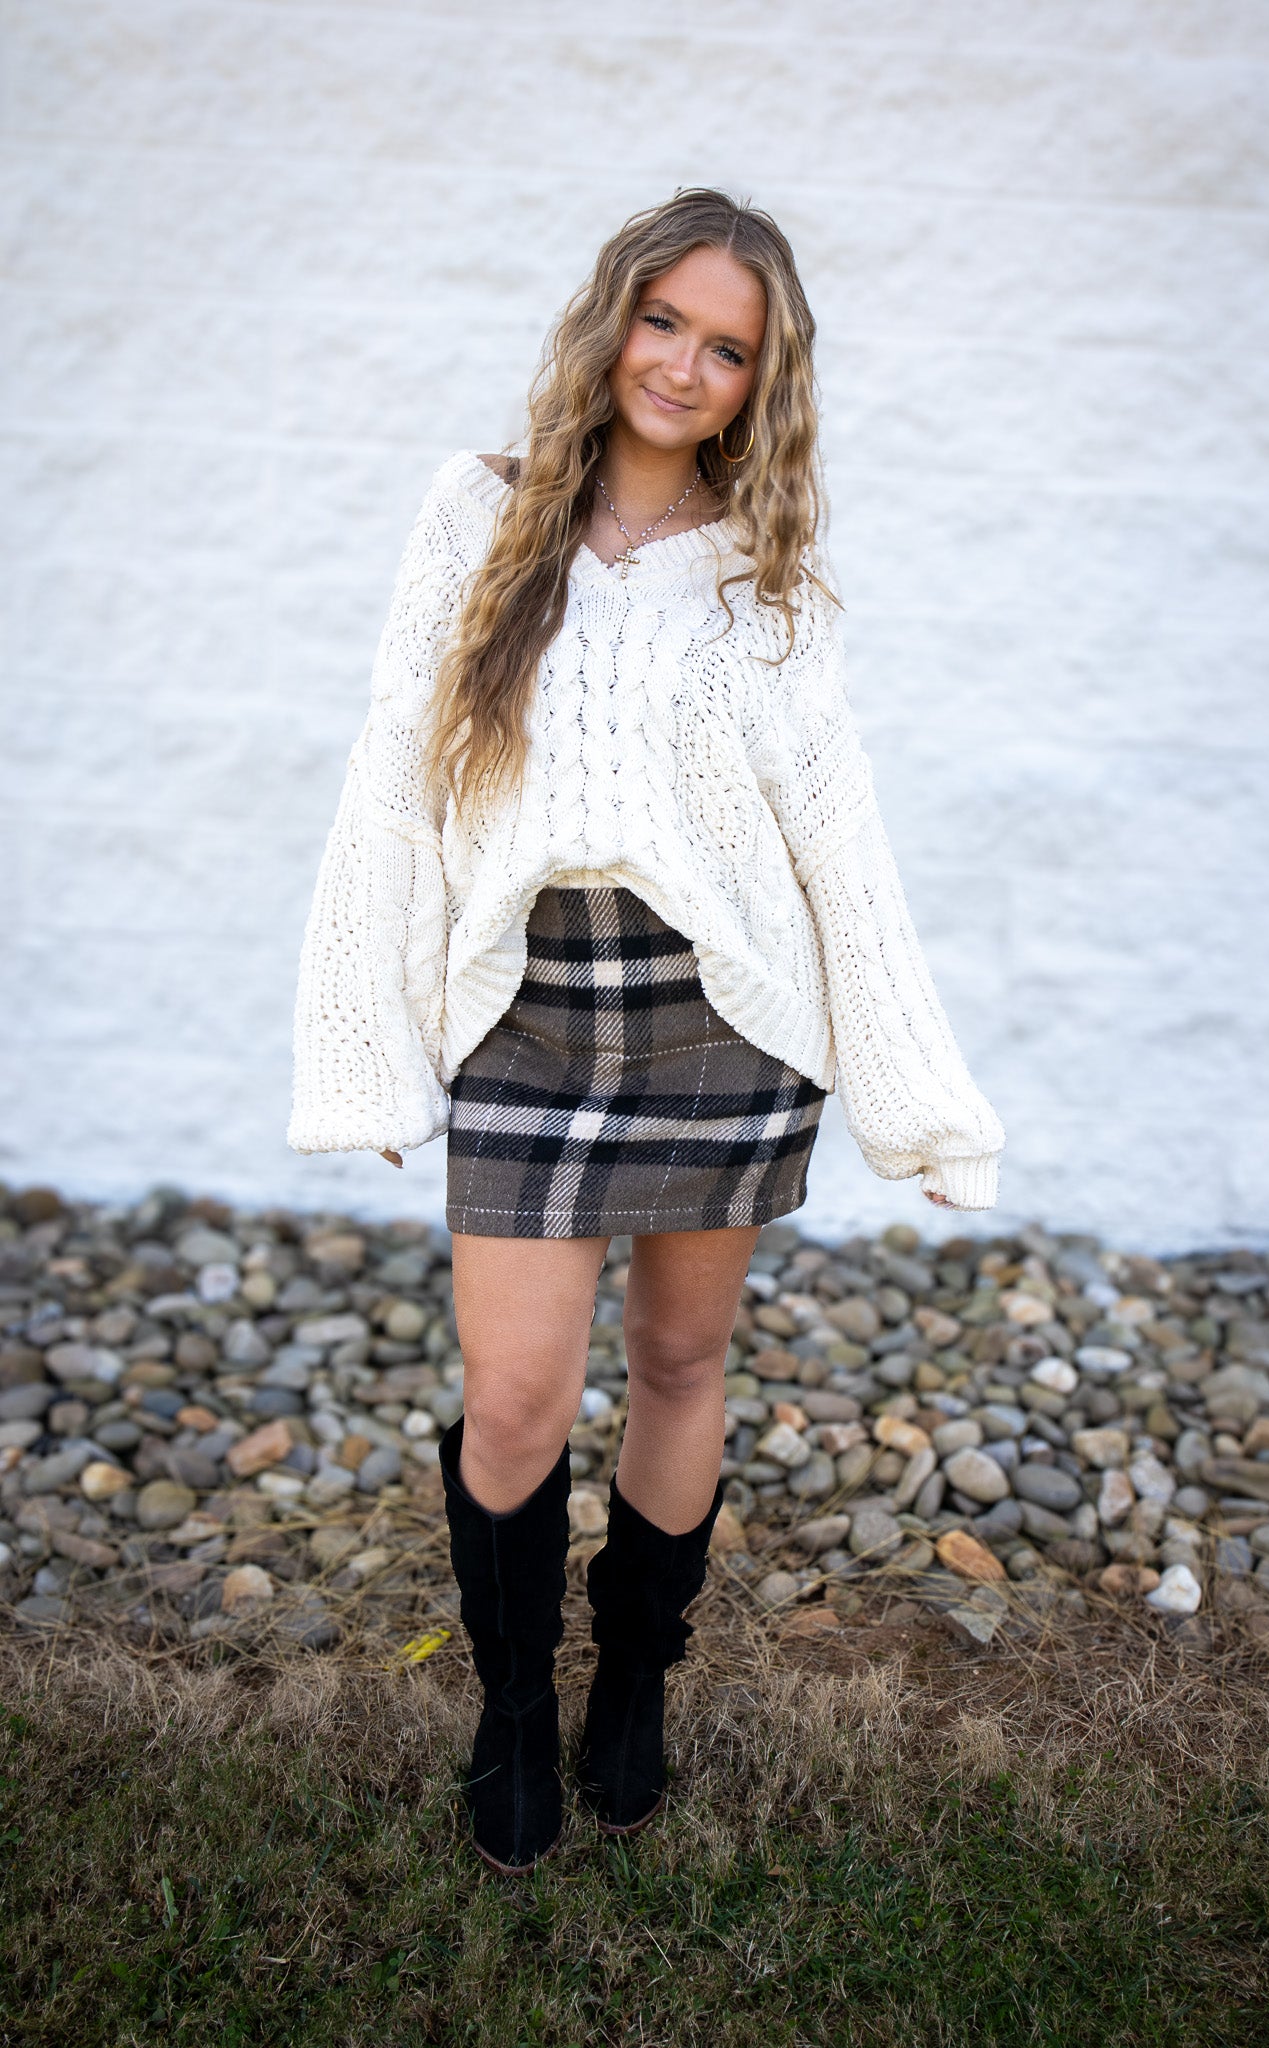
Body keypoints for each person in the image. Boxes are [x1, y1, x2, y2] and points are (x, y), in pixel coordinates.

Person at [288, 188, 1005, 1874]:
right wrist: (366, 1038)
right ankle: (510, 1708)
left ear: (763, 382)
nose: (682, 365)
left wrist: (918, 1093)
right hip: (524, 1012)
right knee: (514, 1396)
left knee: (682, 1363)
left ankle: (632, 1687)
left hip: (718, 1019)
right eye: (662, 320)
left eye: (726, 348)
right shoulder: (476, 512)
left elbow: (837, 839)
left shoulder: (770, 578)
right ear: (612, 318)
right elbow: (393, 778)